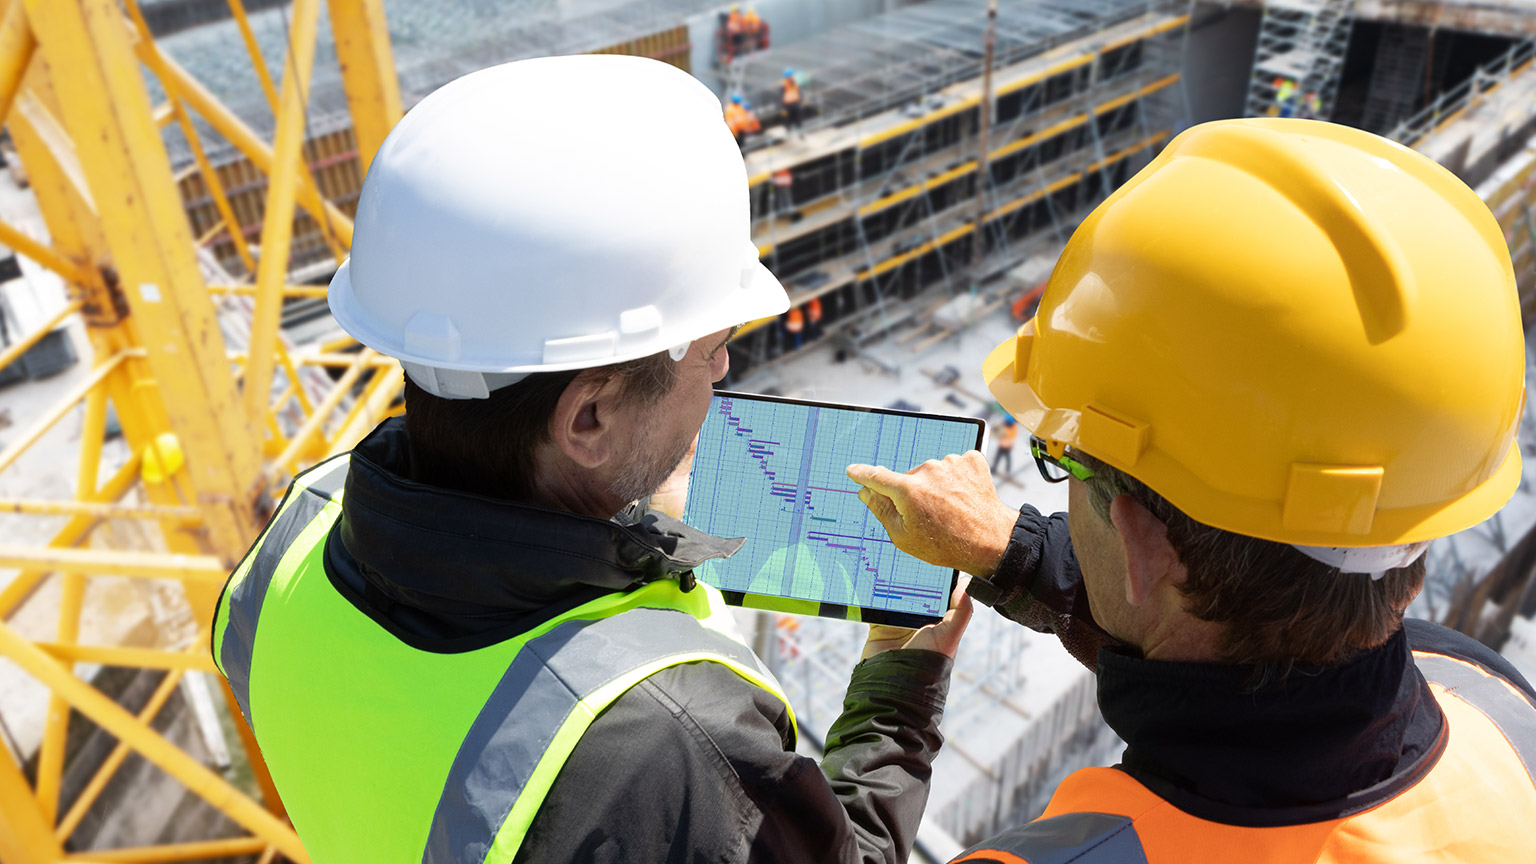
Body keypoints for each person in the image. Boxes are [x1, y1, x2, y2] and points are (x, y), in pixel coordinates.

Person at [213, 55, 972, 864]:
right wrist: (900, 672)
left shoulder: (291, 540)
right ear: (590, 416)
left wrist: (617, 528)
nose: (723, 371)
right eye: (716, 348)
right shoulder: (675, 741)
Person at [845, 118, 1536, 862]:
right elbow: (1247, 691)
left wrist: (894, 694)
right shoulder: (1489, 699)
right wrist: (1009, 551)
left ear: (1142, 543)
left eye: (1063, 461)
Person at [782, 67, 803, 133]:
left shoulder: (795, 82)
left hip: (796, 103)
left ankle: (800, 132)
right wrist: (783, 108)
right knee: (788, 119)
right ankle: (788, 131)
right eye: (792, 76)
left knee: (798, 119)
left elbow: (799, 91)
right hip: (788, 105)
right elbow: (781, 97)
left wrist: (802, 99)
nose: (793, 77)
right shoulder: (783, 85)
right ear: (788, 77)